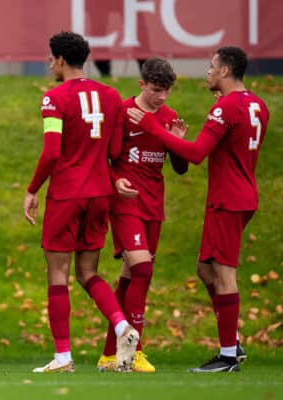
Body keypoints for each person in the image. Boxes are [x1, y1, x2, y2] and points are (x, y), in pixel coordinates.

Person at [127, 46, 268, 372]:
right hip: (244, 194)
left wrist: (153, 128)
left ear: (224, 71)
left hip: (227, 199)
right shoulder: (257, 105)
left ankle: (228, 355)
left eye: (211, 67)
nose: (207, 72)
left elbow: (195, 154)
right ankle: (232, 340)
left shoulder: (224, 109)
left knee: (223, 273)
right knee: (205, 269)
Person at [23, 31, 139, 373]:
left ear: (60, 60)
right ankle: (123, 327)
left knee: (57, 273)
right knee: (88, 272)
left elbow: (51, 153)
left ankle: (62, 358)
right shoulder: (112, 96)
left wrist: (32, 189)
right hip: (101, 194)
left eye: (50, 58)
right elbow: (116, 150)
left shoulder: (53, 99)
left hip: (67, 195)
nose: (48, 64)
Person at [97, 57, 188, 373]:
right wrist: (115, 181)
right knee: (143, 271)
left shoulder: (169, 116)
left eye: (167, 91)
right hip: (125, 204)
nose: (162, 97)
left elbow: (180, 167)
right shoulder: (122, 112)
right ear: (141, 85)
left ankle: (110, 354)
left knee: (131, 277)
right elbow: (104, 159)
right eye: (155, 90)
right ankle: (132, 353)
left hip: (154, 206)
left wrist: (177, 141)